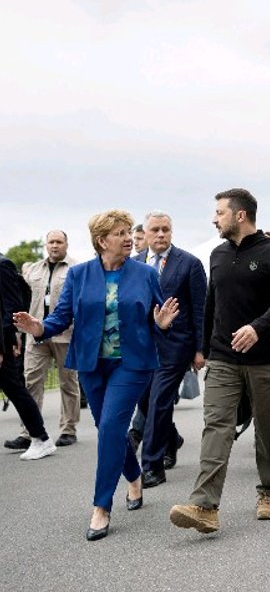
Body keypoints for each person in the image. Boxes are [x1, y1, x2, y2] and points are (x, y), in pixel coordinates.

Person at [14, 209, 179, 541]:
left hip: (132, 364)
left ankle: (101, 506)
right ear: (102, 240)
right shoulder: (79, 275)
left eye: (128, 233)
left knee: (111, 427)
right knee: (110, 429)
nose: (128, 238)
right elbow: (62, 316)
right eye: (120, 234)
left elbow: (158, 314)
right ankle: (133, 478)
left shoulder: (145, 274)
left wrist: (161, 325)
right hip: (91, 364)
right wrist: (40, 327)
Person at [169, 188, 270, 534]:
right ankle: (205, 505)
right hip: (223, 357)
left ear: (240, 215)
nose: (214, 218)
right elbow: (212, 303)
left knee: (269, 430)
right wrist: (203, 348)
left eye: (220, 213)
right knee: (216, 427)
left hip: (265, 358)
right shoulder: (218, 255)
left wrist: (257, 328)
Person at [134, 211, 207, 488]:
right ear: (146, 233)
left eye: (166, 229)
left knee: (158, 401)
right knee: (143, 400)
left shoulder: (189, 263)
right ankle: (171, 438)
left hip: (176, 346)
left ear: (172, 232)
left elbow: (201, 309)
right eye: (155, 230)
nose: (161, 234)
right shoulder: (135, 263)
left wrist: (201, 349)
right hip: (142, 347)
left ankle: (152, 466)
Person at [9, 230, 80, 450]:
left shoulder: (76, 269)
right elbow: (21, 301)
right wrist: (17, 335)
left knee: (68, 382)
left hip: (65, 334)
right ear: (45, 245)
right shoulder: (33, 270)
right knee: (31, 383)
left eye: (59, 242)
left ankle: (68, 429)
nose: (55, 246)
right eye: (51, 242)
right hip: (35, 334)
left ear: (66, 244)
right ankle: (29, 432)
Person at [0, 254, 56, 461]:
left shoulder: (3, 265)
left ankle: (41, 439)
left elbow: (11, 308)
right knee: (14, 388)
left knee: (15, 388)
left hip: (3, 341)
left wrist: (6, 344)